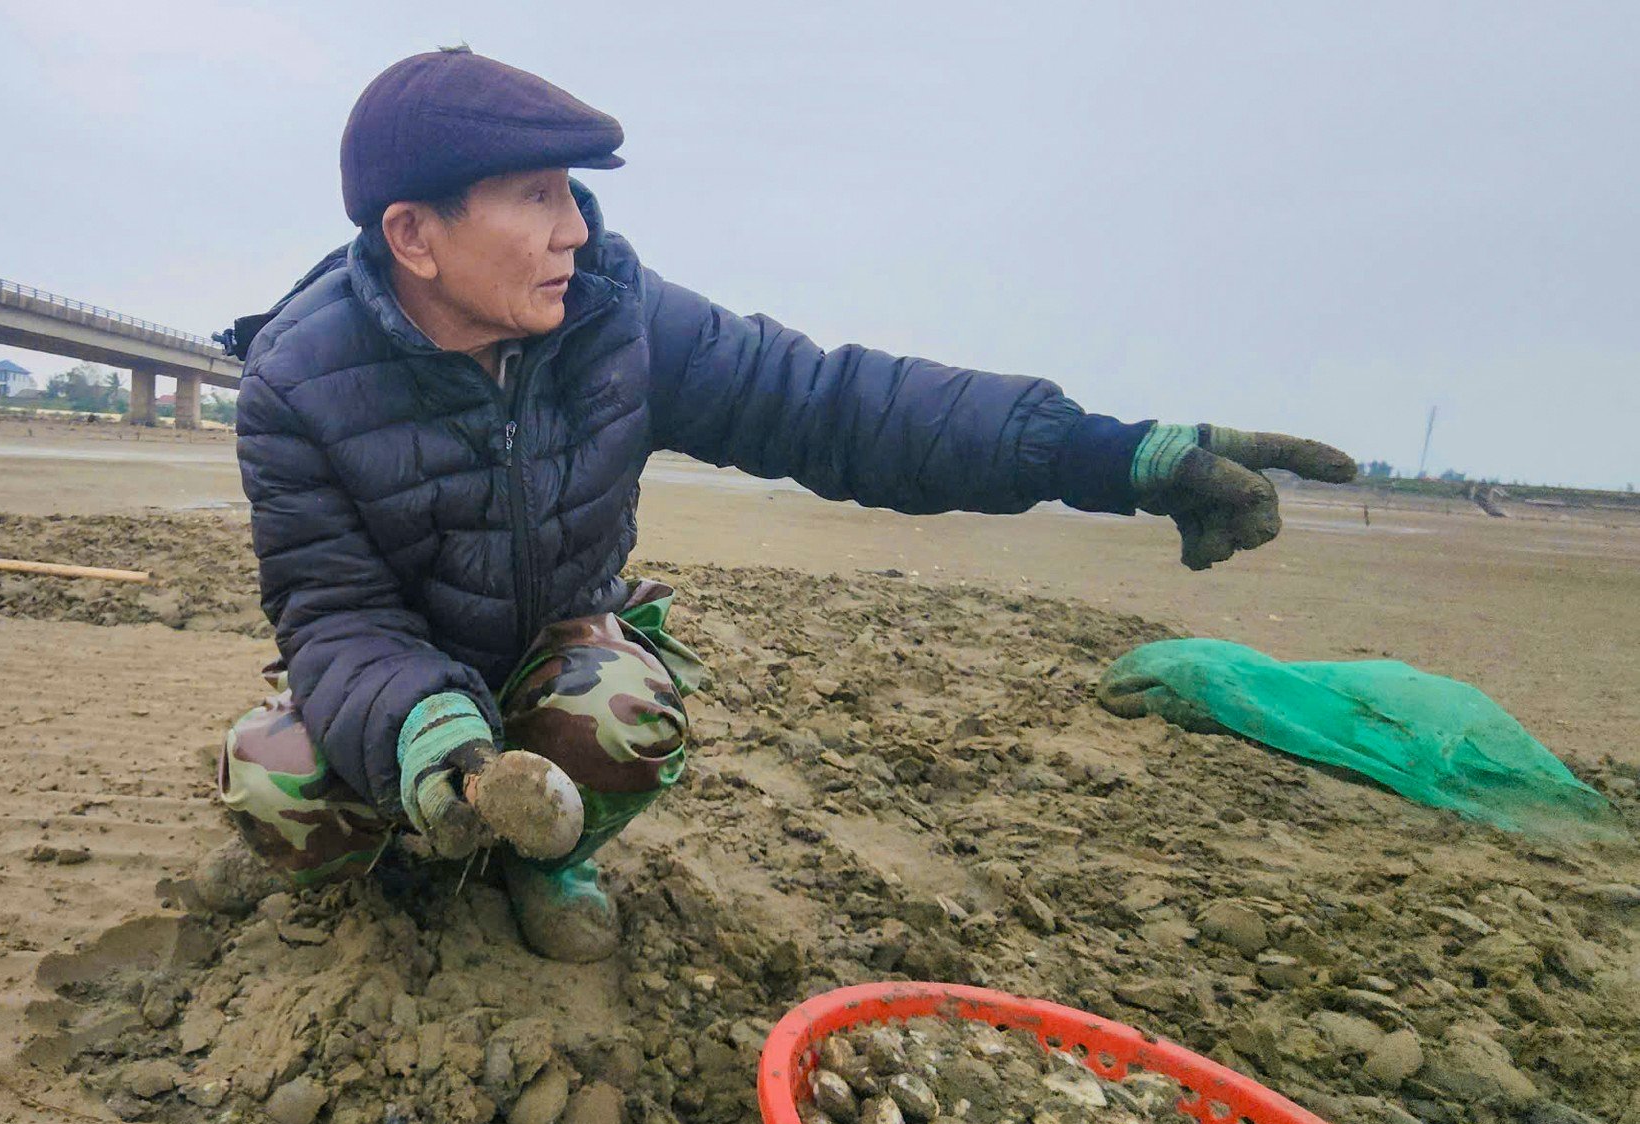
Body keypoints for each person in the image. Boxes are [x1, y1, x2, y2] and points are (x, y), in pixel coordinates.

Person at [201, 47, 1355, 962]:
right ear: (414, 235)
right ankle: (437, 825)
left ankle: (542, 856)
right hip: (409, 678)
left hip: (559, 645)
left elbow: (840, 407)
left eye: (574, 196)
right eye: (535, 196)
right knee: (275, 786)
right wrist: (428, 740)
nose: (573, 230)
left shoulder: (619, 317)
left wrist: (1117, 459)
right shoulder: (298, 383)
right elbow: (337, 614)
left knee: (618, 714)